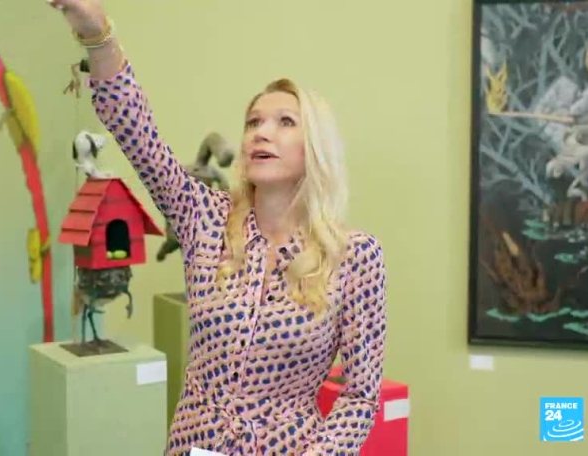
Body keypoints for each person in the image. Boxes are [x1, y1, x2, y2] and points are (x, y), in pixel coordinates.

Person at [46, 1, 388, 454]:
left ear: (315, 147)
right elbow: (137, 133)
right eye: (253, 122)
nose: (261, 132)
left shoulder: (355, 256)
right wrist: (97, 33)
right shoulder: (205, 217)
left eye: (285, 122)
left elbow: (360, 397)